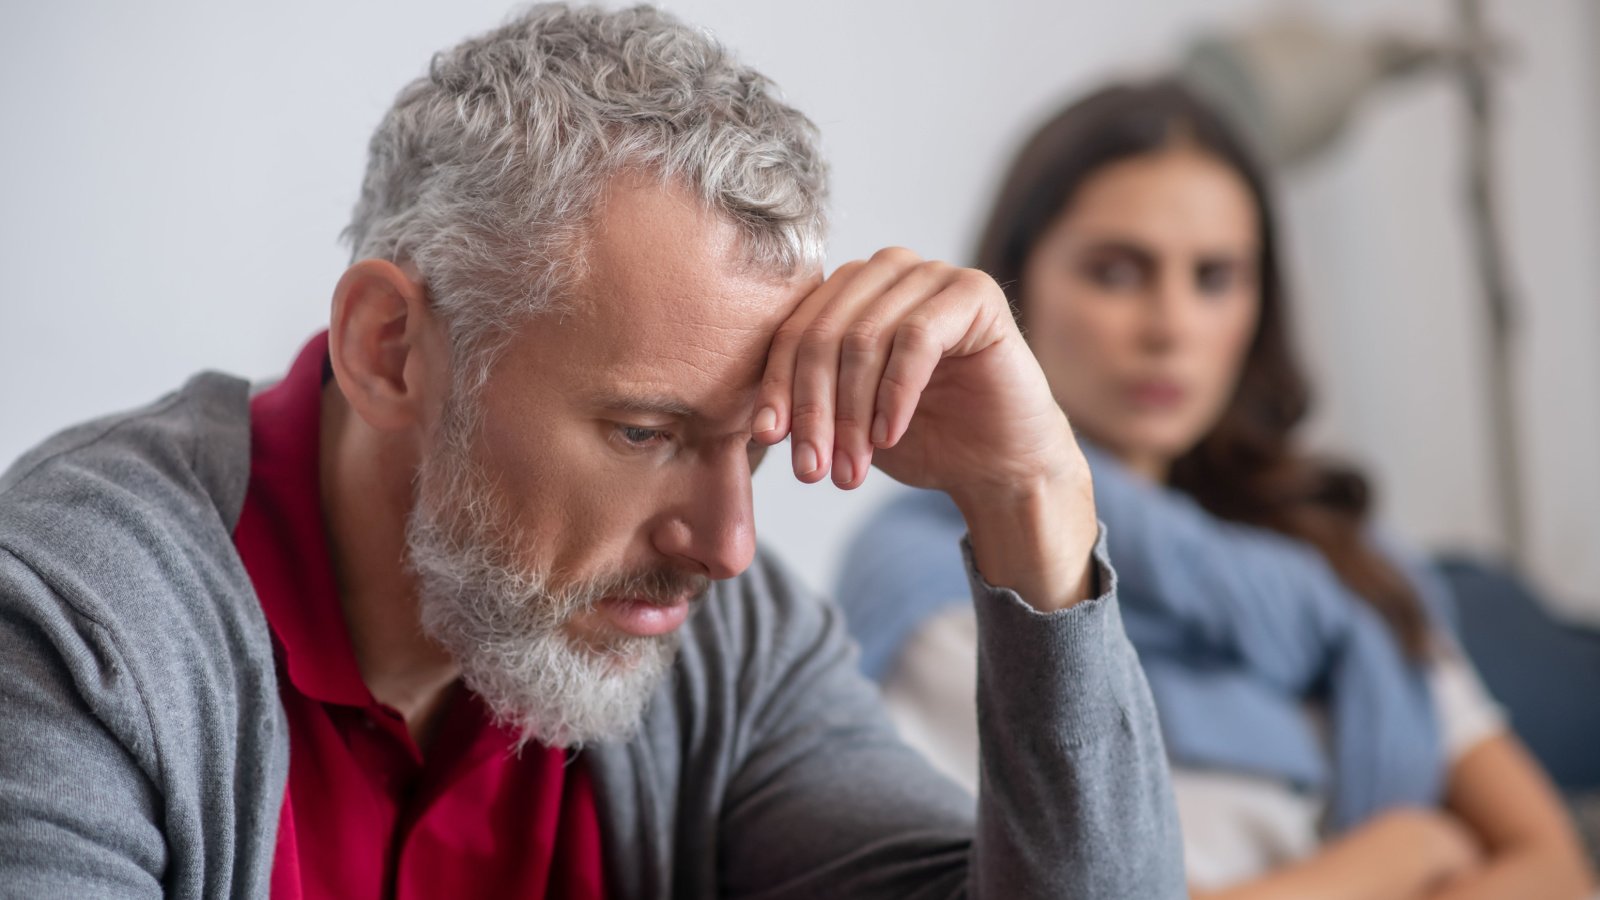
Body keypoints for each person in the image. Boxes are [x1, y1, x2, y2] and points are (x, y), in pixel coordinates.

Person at [0, 7, 1186, 899]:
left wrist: (1033, 499)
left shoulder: (723, 644)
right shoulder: (74, 628)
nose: (724, 547)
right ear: (392, 348)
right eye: (646, 434)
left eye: (754, 445)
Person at [836, 80, 1597, 900]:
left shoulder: (1332, 558)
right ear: (1017, 284)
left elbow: (1554, 864)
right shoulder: (948, 576)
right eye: (1117, 272)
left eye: (1214, 277)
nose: (1171, 327)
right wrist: (1408, 852)